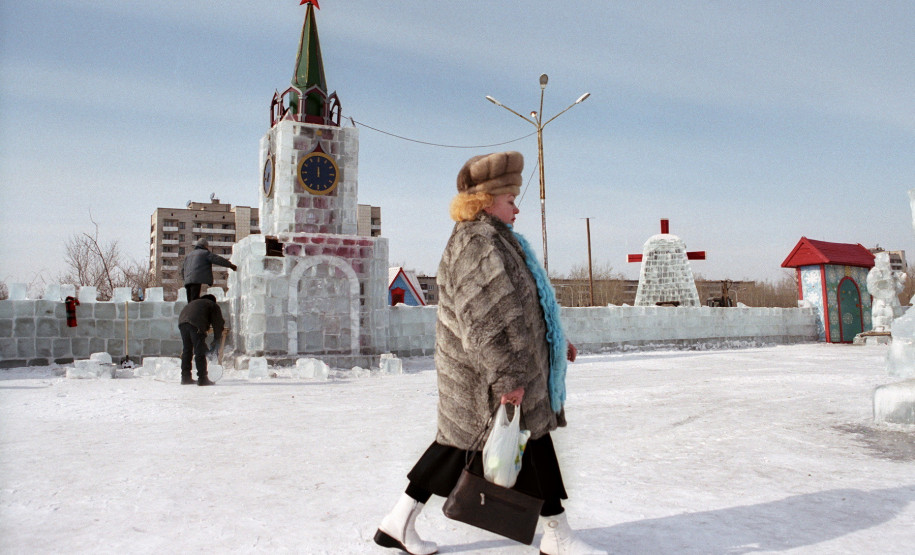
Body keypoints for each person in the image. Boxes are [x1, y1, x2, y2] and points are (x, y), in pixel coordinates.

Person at [374, 152, 605, 555]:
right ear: (485, 200)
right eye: (510, 198)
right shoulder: (477, 242)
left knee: (460, 447)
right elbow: (489, 319)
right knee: (520, 442)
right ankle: (558, 536)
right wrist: (508, 378)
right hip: (484, 374)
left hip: (498, 370)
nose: (517, 206)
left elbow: (524, 306)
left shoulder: (496, 238)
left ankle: (399, 521)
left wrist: (552, 341)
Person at [178, 294, 224, 386]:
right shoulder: (212, 304)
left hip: (182, 323)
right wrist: (217, 339)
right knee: (199, 350)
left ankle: (185, 377)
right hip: (196, 324)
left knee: (187, 350)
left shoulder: (195, 303)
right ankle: (202, 378)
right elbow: (218, 323)